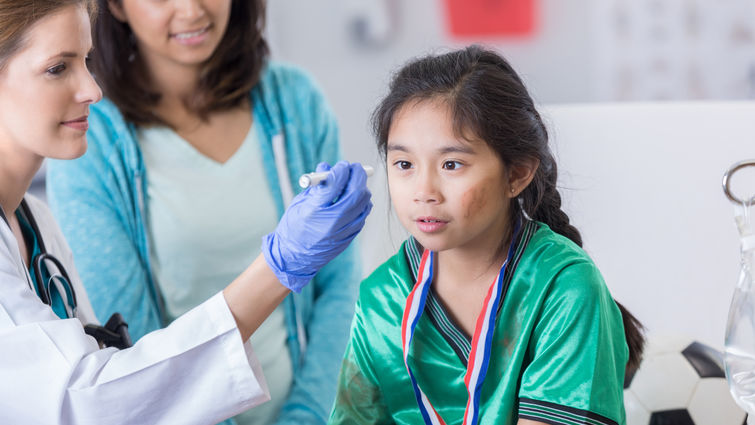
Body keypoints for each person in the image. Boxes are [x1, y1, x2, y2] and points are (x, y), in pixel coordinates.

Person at [0, 0, 372, 423]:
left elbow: (117, 368)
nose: (92, 90)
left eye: (85, 60)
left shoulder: (36, 224)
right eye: (57, 68)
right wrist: (279, 266)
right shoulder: (101, 145)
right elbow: (97, 400)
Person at [328, 45, 644, 425]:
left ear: (517, 174)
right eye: (404, 164)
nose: (424, 190)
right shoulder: (380, 298)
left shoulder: (565, 288)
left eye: (451, 164)